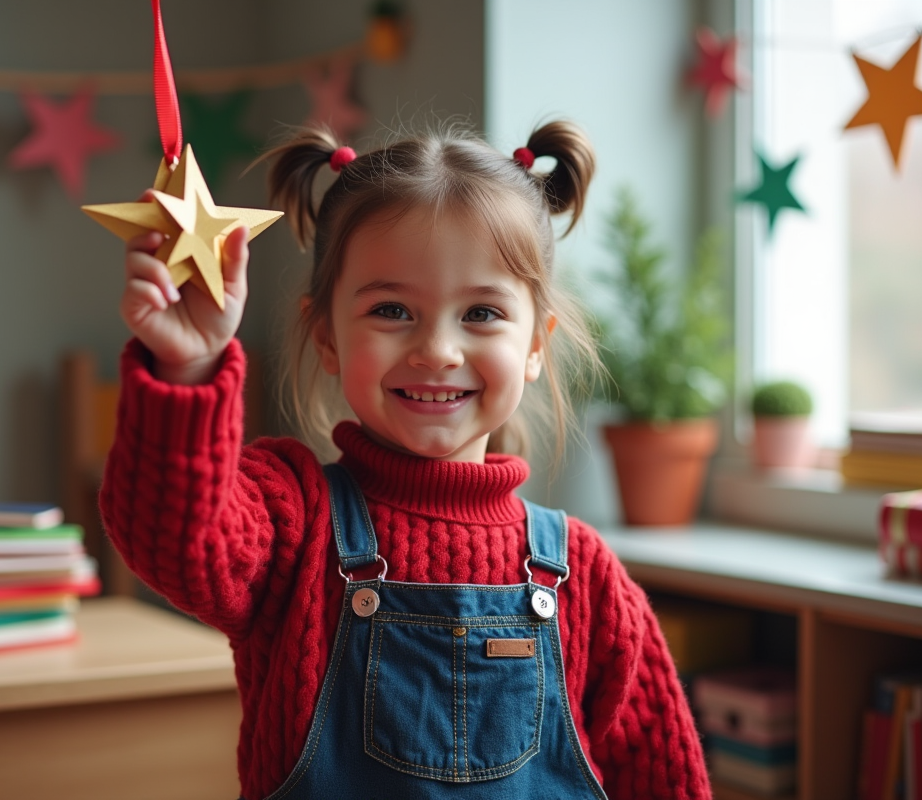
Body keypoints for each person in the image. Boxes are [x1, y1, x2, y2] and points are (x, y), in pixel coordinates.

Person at [99, 121, 711, 800]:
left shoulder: (588, 576)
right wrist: (189, 366)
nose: (437, 351)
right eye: (392, 310)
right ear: (327, 338)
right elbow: (175, 539)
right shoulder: (292, 519)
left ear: (536, 344)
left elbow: (667, 782)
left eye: (481, 313)